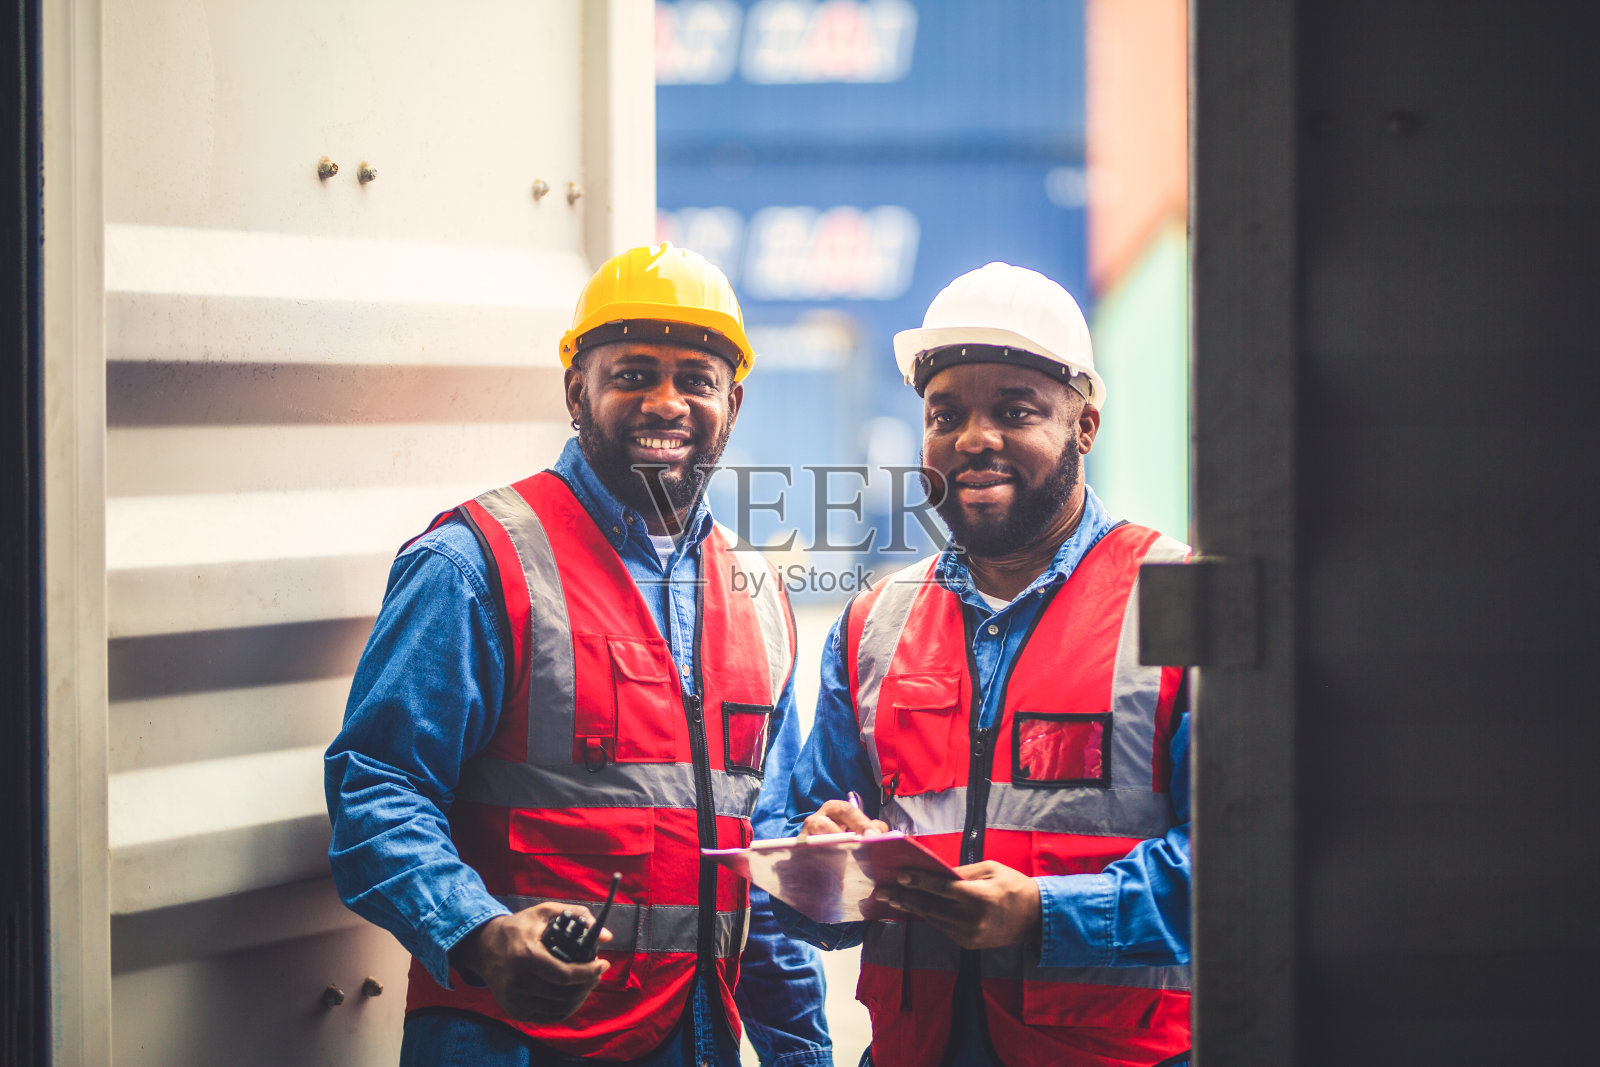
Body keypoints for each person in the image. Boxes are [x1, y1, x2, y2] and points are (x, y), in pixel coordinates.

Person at [326, 244, 832, 1066]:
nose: (666, 402)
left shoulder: (759, 599)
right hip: (504, 1041)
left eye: (696, 380)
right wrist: (480, 932)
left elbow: (763, 870)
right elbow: (376, 788)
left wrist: (801, 1052)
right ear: (576, 391)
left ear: (732, 404)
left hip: (694, 1039)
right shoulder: (476, 564)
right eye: (633, 374)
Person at [779, 262, 1192, 1066]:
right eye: (946, 414)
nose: (972, 438)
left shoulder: (1176, 602)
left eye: (1014, 410)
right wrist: (823, 858)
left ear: (1085, 425)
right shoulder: (872, 623)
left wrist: (1044, 912)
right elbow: (803, 880)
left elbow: (1244, 862)